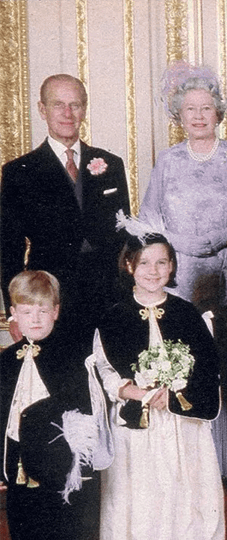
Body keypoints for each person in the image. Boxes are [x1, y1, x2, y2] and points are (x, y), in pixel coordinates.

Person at [93, 234, 224, 540]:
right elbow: (102, 364)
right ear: (129, 265)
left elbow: (207, 365)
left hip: (179, 426)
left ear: (172, 266)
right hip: (137, 429)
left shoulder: (187, 314)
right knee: (141, 498)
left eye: (162, 263)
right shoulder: (114, 316)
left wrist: (176, 390)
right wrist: (129, 390)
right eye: (145, 263)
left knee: (177, 496)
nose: (154, 271)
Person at [133, 62, 227, 480]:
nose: (198, 116)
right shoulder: (167, 161)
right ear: (178, 115)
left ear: (218, 112)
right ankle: (186, 462)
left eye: (206, 108)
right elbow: (149, 220)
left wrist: (219, 239)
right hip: (179, 279)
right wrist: (175, 252)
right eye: (190, 109)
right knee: (185, 364)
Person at [0, 271, 106, 540]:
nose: (35, 319)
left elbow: (85, 412)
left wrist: (82, 463)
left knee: (64, 525)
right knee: (25, 528)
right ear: (13, 313)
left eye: (43, 311)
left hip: (59, 460)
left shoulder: (72, 357)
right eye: (27, 311)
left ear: (56, 312)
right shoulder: (4, 362)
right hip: (17, 460)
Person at [0, 74, 131, 347]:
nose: (68, 113)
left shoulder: (111, 164)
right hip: (48, 297)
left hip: (107, 295)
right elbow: (8, 249)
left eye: (75, 104)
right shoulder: (19, 172)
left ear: (84, 109)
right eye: (58, 104)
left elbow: (124, 235)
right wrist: (15, 312)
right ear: (42, 109)